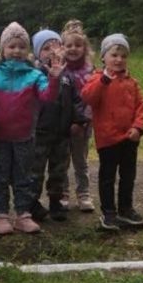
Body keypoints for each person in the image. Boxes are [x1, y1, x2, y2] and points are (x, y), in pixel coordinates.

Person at [0, 22, 62, 235]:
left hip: (25, 137)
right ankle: (1, 215)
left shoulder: (35, 76)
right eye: (11, 46)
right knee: (0, 178)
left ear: (28, 50)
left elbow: (48, 97)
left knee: (24, 177)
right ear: (3, 49)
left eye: (21, 46)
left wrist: (54, 78)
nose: (16, 51)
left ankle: (23, 215)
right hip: (0, 137)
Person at [81, 33, 143, 231]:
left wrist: (137, 127)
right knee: (107, 177)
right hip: (108, 139)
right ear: (103, 57)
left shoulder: (132, 82)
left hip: (130, 139)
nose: (119, 60)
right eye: (114, 55)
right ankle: (108, 213)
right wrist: (103, 81)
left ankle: (126, 209)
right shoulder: (97, 79)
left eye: (123, 56)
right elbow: (88, 97)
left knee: (128, 176)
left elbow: (141, 106)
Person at [29, 29, 89, 222]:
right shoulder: (34, 75)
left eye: (56, 47)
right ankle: (32, 203)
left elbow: (76, 100)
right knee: (35, 171)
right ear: (38, 53)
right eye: (46, 48)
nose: (52, 52)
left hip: (62, 133)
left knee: (59, 171)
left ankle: (56, 202)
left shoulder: (67, 76)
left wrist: (78, 120)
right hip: (39, 133)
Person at [60, 19, 96, 212]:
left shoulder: (90, 72)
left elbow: (92, 100)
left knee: (80, 161)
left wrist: (83, 122)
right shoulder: (59, 69)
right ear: (62, 48)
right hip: (62, 125)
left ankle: (84, 194)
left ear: (85, 48)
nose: (73, 49)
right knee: (62, 160)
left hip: (83, 125)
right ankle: (63, 193)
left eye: (78, 45)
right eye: (69, 45)